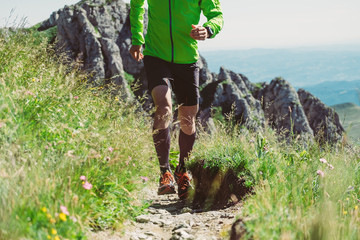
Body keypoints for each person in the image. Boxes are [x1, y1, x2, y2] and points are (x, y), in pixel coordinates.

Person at [129, 0, 223, 200]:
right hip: (156, 56)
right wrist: (137, 38)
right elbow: (136, 3)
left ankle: (182, 170)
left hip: (187, 59)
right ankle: (165, 172)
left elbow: (217, 16)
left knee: (188, 119)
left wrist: (208, 29)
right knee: (163, 108)